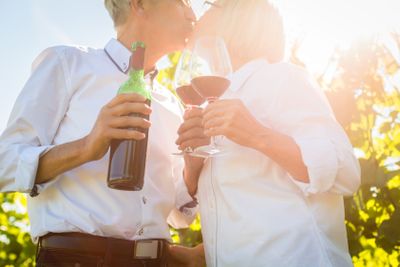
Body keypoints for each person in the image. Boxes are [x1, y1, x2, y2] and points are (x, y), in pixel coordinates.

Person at [0, 0, 205, 266]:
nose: (193, 13)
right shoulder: (68, 64)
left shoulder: (171, 103)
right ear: (139, 5)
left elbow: (179, 216)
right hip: (77, 260)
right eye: (182, 2)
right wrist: (87, 146)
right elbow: (5, 163)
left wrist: (193, 167)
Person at [176, 0, 361, 266]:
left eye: (209, 5)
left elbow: (347, 174)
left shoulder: (283, 78)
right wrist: (193, 170)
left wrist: (257, 135)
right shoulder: (214, 99)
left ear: (237, 19)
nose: (198, 14)